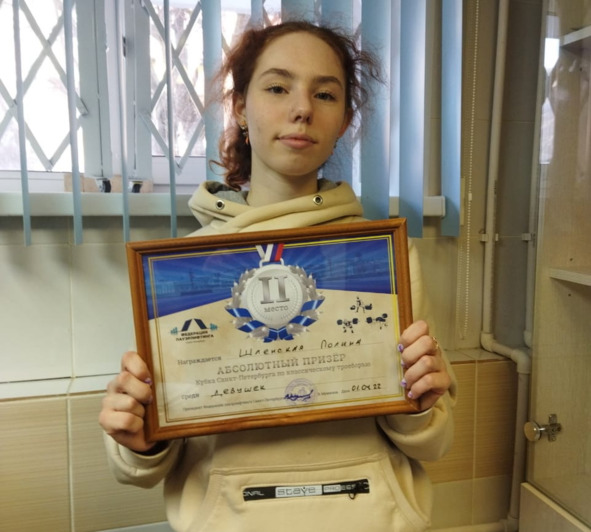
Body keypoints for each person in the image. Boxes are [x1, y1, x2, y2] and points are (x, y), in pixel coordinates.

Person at [100, 20, 455, 532]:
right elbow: (146, 461)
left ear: (344, 121)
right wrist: (139, 439)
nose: (302, 108)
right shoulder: (181, 268)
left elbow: (435, 442)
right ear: (241, 107)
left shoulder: (382, 257)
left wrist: (417, 406)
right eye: (277, 88)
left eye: (325, 94)